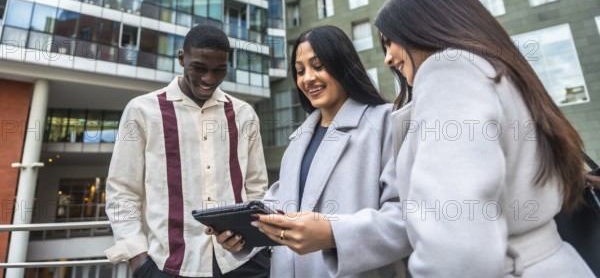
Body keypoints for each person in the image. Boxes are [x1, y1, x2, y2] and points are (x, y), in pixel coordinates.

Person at [374, 0, 594, 277]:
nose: (387, 58)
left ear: (423, 25)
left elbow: (458, 247)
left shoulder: (447, 71)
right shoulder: (499, 71)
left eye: (390, 41)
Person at [208, 25, 410, 277]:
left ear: (343, 64)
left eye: (318, 66)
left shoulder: (386, 122)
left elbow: (405, 218)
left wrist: (332, 234)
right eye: (300, 71)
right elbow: (280, 207)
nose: (307, 78)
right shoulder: (298, 140)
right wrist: (242, 233)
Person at [104, 25, 270, 278]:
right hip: (168, 266)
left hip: (244, 262)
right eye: (199, 68)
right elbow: (123, 190)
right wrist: (138, 258)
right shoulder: (141, 111)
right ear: (182, 58)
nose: (209, 79)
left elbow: (256, 186)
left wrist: (257, 241)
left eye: (219, 70)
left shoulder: (243, 114)